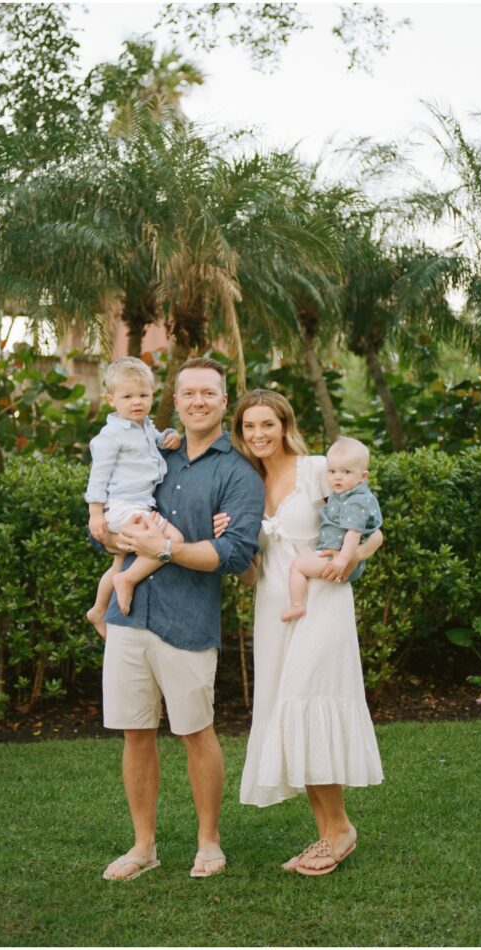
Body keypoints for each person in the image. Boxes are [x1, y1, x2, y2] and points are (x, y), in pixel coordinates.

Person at [100, 358, 265, 881]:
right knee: (135, 732)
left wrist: (168, 551)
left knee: (197, 732)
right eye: (188, 392)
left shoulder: (237, 472)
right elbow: (109, 519)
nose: (197, 401)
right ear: (175, 399)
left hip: (187, 620)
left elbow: (236, 555)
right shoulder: (152, 451)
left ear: (224, 401)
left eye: (208, 393)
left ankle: (208, 843)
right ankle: (143, 846)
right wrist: (112, 536)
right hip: (128, 616)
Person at [232, 390, 384, 877]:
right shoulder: (246, 482)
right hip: (275, 608)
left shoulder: (317, 468)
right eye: (249, 426)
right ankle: (326, 834)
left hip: (321, 602)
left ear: (284, 424)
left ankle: (339, 828)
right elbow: (252, 572)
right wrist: (239, 552)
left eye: (267, 424)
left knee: (308, 699)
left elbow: (375, 527)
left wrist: (350, 559)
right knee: (286, 710)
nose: (258, 434)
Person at [85, 357, 184, 638]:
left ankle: (98, 609)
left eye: (143, 395)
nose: (137, 402)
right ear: (111, 399)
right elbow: (98, 476)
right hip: (120, 506)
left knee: (120, 558)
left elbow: (156, 440)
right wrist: (95, 513)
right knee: (172, 540)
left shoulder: (143, 426)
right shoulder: (112, 435)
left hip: (138, 504)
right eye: (127, 396)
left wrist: (169, 437)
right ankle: (127, 580)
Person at [281, 436, 382, 622]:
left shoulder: (356, 501)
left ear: (363, 476)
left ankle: (297, 605)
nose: (337, 477)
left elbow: (354, 533)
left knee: (297, 567)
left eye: (346, 472)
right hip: (336, 555)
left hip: (337, 557)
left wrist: (343, 559)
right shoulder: (344, 493)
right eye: (332, 471)